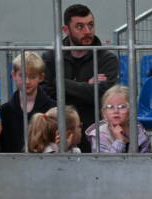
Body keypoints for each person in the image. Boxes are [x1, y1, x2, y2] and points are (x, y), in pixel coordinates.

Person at [42, 4, 119, 153]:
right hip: (57, 133)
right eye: (80, 27)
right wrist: (86, 86)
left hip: (94, 131)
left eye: (90, 25)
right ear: (66, 30)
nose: (87, 31)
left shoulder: (107, 59)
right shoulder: (51, 57)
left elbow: (102, 95)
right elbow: (47, 95)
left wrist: (62, 83)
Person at [0, 52, 56, 153]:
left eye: (32, 77)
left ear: (41, 78)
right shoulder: (5, 111)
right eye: (22, 76)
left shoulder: (53, 108)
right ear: (13, 75)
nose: (27, 81)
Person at [85, 85, 152, 153]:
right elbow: (106, 162)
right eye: (110, 107)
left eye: (122, 107)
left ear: (131, 110)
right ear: (104, 112)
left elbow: (146, 159)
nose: (116, 111)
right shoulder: (99, 135)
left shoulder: (139, 131)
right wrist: (119, 141)